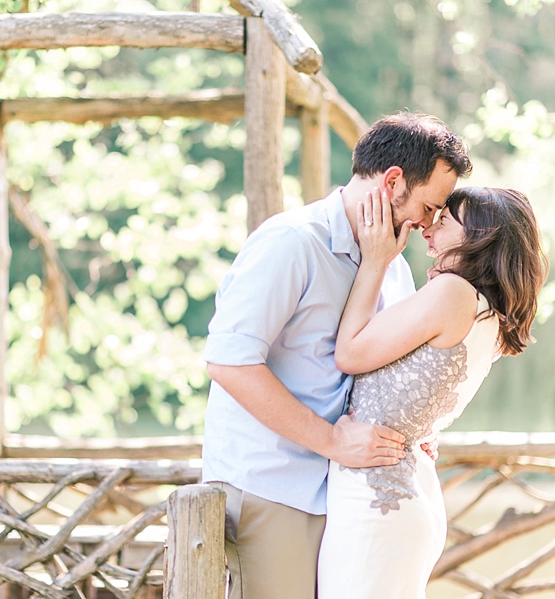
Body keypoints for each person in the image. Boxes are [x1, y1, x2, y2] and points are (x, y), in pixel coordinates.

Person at [201, 112, 472, 599]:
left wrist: (413, 431)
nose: (429, 224)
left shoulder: (391, 268)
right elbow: (229, 363)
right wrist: (330, 440)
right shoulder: (291, 243)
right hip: (272, 485)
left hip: (341, 493)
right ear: (393, 182)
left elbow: (386, 370)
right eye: (430, 207)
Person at [316, 186, 548, 598]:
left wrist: (376, 261)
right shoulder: (488, 317)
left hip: (377, 499)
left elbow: (350, 353)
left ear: (479, 235)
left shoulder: (453, 293)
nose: (427, 227)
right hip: (400, 493)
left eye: (444, 220)